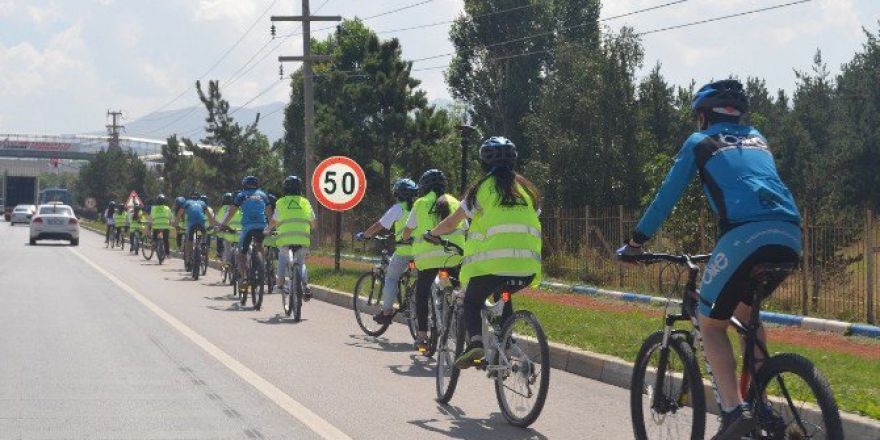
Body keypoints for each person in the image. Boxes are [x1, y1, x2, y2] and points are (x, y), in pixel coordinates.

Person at [617, 79, 802, 440]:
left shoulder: (699, 142)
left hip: (743, 236)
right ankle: (761, 400)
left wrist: (636, 243)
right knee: (746, 315)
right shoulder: (758, 137)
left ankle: (733, 412)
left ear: (703, 116)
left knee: (710, 322)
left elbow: (666, 196)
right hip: (790, 235)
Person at [427, 137, 542, 368]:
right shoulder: (527, 191)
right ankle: (506, 345)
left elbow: (452, 222)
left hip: (489, 266)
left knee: (471, 301)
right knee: (504, 293)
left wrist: (433, 232)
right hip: (527, 267)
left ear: (483, 163)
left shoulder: (481, 189)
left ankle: (476, 344)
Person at [400, 169, 467, 353]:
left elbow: (408, 230)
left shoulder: (420, 203)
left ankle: (422, 336)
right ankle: (463, 329)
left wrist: (406, 238)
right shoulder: (455, 202)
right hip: (453, 257)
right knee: (458, 293)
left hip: (428, 260)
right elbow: (465, 227)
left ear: (423, 187)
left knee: (421, 295)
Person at [356, 178, 419, 324]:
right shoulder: (420, 207)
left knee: (391, 278)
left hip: (404, 251)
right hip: (421, 251)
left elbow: (380, 225)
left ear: (397, 194)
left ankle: (386, 312)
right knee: (416, 275)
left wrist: (365, 235)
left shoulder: (398, 208)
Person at [217, 176, 270, 296]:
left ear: (244, 185)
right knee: (259, 244)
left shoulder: (241, 195)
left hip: (248, 228)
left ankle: (245, 278)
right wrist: (270, 226)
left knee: (241, 255)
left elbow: (231, 212)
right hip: (262, 226)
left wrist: (222, 225)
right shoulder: (263, 195)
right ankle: (263, 267)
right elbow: (269, 213)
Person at [265, 176, 315, 300]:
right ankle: (306, 285)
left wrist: (267, 230)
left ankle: (280, 284)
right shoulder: (305, 202)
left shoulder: (281, 202)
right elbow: (313, 223)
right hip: (303, 240)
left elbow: (274, 221)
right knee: (301, 262)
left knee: (282, 258)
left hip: (285, 240)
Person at [177, 192, 211, 272]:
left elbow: (179, 214)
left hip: (191, 224)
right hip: (201, 223)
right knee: (204, 234)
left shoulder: (187, 202)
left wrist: (176, 223)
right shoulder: (202, 203)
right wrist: (213, 224)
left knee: (188, 243)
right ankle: (203, 246)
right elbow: (209, 216)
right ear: (198, 198)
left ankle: (188, 261)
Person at [216, 192, 241, 269]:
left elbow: (219, 221)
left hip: (228, 233)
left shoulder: (227, 209)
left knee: (227, 246)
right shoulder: (242, 209)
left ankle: (227, 262)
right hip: (240, 234)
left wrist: (220, 228)